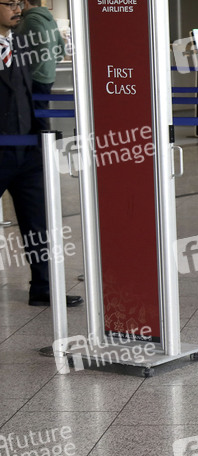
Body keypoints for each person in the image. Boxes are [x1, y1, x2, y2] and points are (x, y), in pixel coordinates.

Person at [0, 0, 80, 307]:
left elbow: (28, 93)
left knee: (39, 223)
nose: (17, 9)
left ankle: (44, 287)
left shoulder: (20, 44)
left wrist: (41, 140)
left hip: (27, 151)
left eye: (18, 2)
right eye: (9, 3)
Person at [16, 0, 62, 131]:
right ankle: (46, 142)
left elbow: (43, 47)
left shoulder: (30, 19)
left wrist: (31, 71)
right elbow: (61, 48)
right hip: (48, 77)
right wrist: (49, 65)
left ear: (26, 3)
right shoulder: (49, 19)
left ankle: (42, 143)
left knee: (35, 119)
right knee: (41, 115)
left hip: (35, 78)